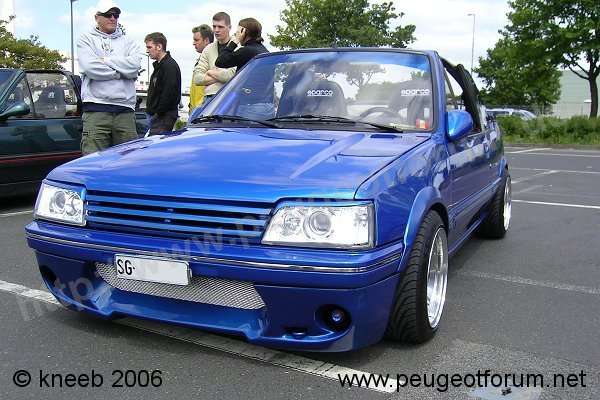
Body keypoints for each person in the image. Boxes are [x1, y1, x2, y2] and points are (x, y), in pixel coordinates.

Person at [77, 2, 142, 155]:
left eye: (116, 15)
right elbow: (90, 68)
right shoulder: (86, 39)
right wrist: (122, 73)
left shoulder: (129, 41)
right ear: (97, 17)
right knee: (93, 161)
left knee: (128, 160)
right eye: (108, 14)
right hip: (96, 109)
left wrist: (105, 60)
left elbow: (134, 66)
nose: (113, 18)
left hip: (125, 110)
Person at [192, 12, 236, 107]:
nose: (216, 30)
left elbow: (233, 75)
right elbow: (197, 78)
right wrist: (221, 76)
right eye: (214, 26)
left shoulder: (238, 47)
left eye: (220, 27)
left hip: (230, 98)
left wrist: (210, 72)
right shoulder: (208, 49)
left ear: (229, 27)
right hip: (209, 100)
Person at [144, 32, 181, 134]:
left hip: (163, 117)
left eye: (149, 47)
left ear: (159, 47)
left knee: (155, 142)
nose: (147, 51)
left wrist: (158, 113)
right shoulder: (160, 66)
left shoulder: (169, 66)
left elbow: (169, 93)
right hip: (159, 116)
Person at [189, 24, 213, 111]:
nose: (193, 43)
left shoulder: (213, 60)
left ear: (206, 40)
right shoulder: (200, 61)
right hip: (196, 110)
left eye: (196, 40)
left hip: (204, 110)